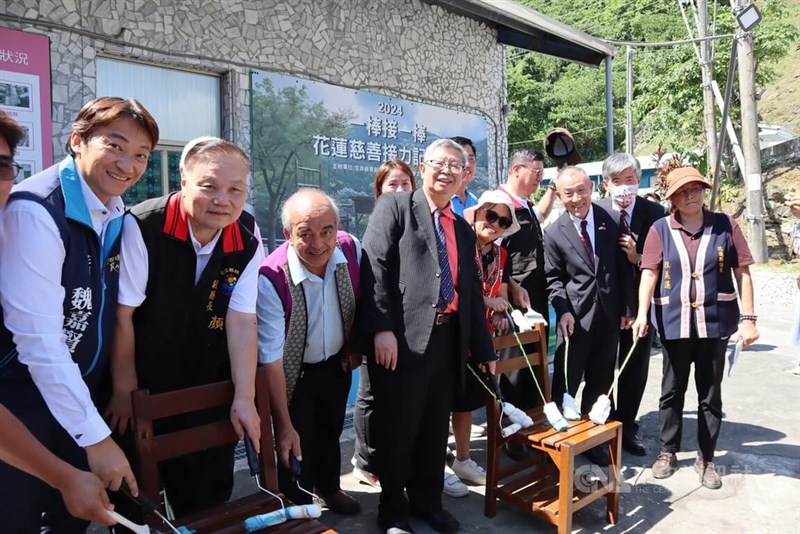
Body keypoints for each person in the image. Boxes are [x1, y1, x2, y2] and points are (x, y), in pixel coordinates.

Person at [0, 97, 159, 531]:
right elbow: (39, 343)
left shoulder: (114, 213)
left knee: (74, 516)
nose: (128, 164)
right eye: (115, 145)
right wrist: (97, 438)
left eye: (142, 155)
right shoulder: (36, 211)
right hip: (21, 405)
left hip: (75, 398)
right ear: (77, 141)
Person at [103, 136, 263, 517]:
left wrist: (244, 395)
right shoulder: (143, 226)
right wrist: (124, 389)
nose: (223, 199)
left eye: (235, 189)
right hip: (144, 379)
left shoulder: (246, 233)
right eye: (209, 186)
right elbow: (122, 316)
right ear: (184, 181)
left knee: (207, 493)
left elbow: (242, 319)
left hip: (208, 380)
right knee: (137, 499)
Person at [359, 138, 496, 534]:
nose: (447, 170)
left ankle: (427, 503)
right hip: (402, 340)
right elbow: (374, 267)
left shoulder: (462, 228)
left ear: (464, 174)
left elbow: (470, 291)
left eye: (456, 165)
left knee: (435, 429)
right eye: (439, 163)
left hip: (447, 340)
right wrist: (382, 328)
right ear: (423, 167)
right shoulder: (397, 206)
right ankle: (393, 511)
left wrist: (481, 347)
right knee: (398, 430)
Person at [632, 167, 759, 490]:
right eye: (682, 191)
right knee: (671, 392)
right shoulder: (660, 229)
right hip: (674, 324)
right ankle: (667, 451)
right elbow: (649, 273)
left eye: (695, 189)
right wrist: (642, 314)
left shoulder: (725, 225)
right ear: (672, 198)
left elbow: (743, 272)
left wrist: (749, 319)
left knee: (710, 393)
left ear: (704, 191)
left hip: (715, 325)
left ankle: (707, 457)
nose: (690, 195)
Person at [258, 188, 362, 515]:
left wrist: (353, 345)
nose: (318, 243)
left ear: (338, 227)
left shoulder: (351, 250)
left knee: (330, 430)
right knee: (294, 441)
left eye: (326, 232)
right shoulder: (271, 277)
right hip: (293, 372)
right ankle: (297, 505)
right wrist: (282, 420)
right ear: (288, 234)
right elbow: (271, 357)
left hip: (334, 364)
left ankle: (329, 489)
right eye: (305, 234)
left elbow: (365, 301)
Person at [544, 166, 634, 467]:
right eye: (568, 193)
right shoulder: (554, 233)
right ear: (558, 195)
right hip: (576, 319)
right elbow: (553, 278)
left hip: (608, 315)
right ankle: (559, 441)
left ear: (592, 188)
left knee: (601, 379)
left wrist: (627, 309)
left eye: (581, 190)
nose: (576, 198)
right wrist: (564, 311)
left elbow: (622, 267)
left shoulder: (610, 219)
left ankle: (592, 440)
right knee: (566, 382)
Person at [597, 153, 667, 456]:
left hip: (641, 307)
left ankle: (627, 425)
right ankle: (597, 427)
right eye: (617, 181)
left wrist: (639, 257)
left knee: (635, 368)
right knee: (599, 369)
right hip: (604, 307)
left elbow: (666, 262)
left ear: (638, 181)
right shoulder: (595, 211)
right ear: (605, 184)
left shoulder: (655, 212)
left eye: (630, 180)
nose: (624, 187)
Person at [353, 159, 417, 489]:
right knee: (369, 395)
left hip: (404, 328)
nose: (399, 190)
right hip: (378, 323)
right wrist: (381, 327)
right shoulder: (379, 220)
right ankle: (364, 459)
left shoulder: (419, 222)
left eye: (405, 183)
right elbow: (373, 274)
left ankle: (384, 458)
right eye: (391, 184)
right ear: (379, 191)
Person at [496, 148, 551, 460]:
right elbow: (493, 256)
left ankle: (532, 426)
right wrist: (506, 293)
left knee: (533, 364)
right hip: (512, 299)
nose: (539, 180)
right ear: (517, 169)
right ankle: (511, 433)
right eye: (536, 173)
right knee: (512, 367)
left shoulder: (527, 205)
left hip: (534, 298)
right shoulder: (499, 204)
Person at [449, 136, 478, 216]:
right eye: (462, 159)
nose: (467, 164)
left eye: (471, 159)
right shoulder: (441, 200)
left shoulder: (475, 201)